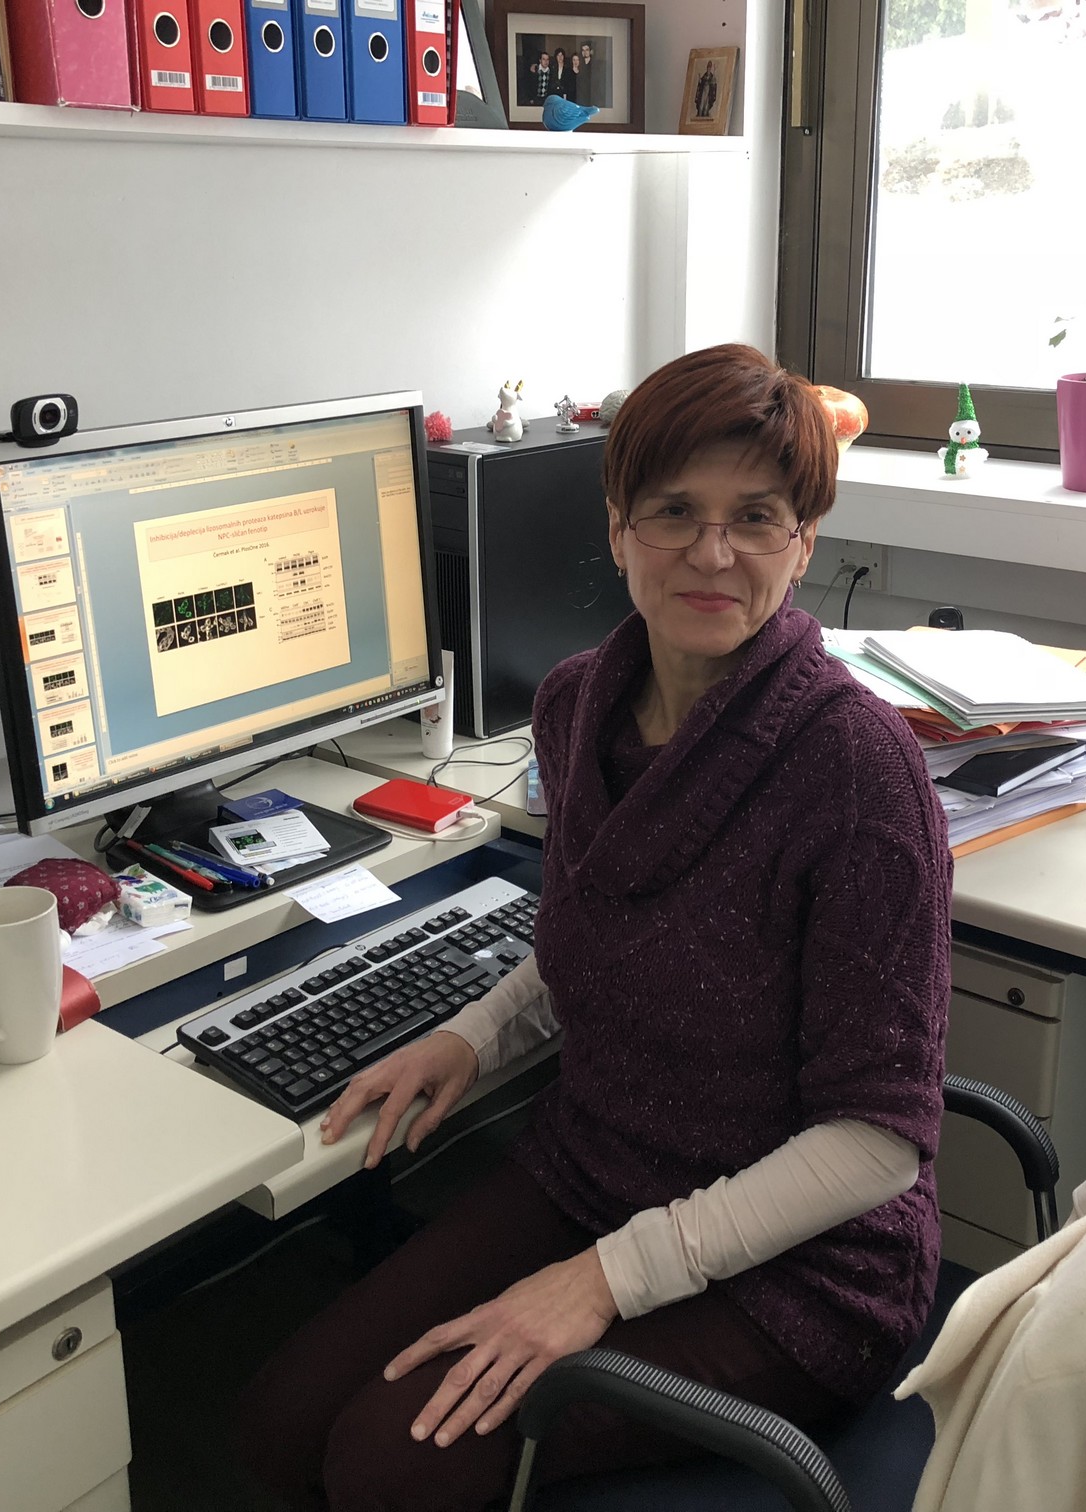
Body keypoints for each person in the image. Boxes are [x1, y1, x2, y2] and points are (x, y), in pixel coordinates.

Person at [234, 344, 953, 1512]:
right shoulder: (577, 705)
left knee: (386, 1462)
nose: (711, 553)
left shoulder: (856, 770)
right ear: (618, 529)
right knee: (281, 1420)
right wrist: (474, 1035)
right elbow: (595, 936)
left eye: (754, 517)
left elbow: (876, 1143)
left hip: (806, 1271)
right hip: (598, 1172)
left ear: (803, 542)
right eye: (673, 512)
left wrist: (601, 1283)